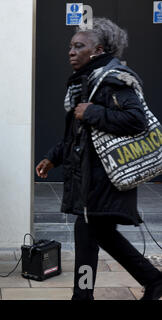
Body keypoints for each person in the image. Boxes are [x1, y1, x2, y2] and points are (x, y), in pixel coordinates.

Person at [35, 17, 162, 300]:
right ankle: (151, 280)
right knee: (96, 235)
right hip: (91, 177)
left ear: (99, 50)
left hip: (105, 178)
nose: (70, 51)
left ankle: (85, 295)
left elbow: (135, 120)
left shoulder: (113, 79)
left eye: (79, 46)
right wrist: (53, 157)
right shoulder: (88, 81)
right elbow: (79, 135)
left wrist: (92, 112)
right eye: (70, 46)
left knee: (90, 234)